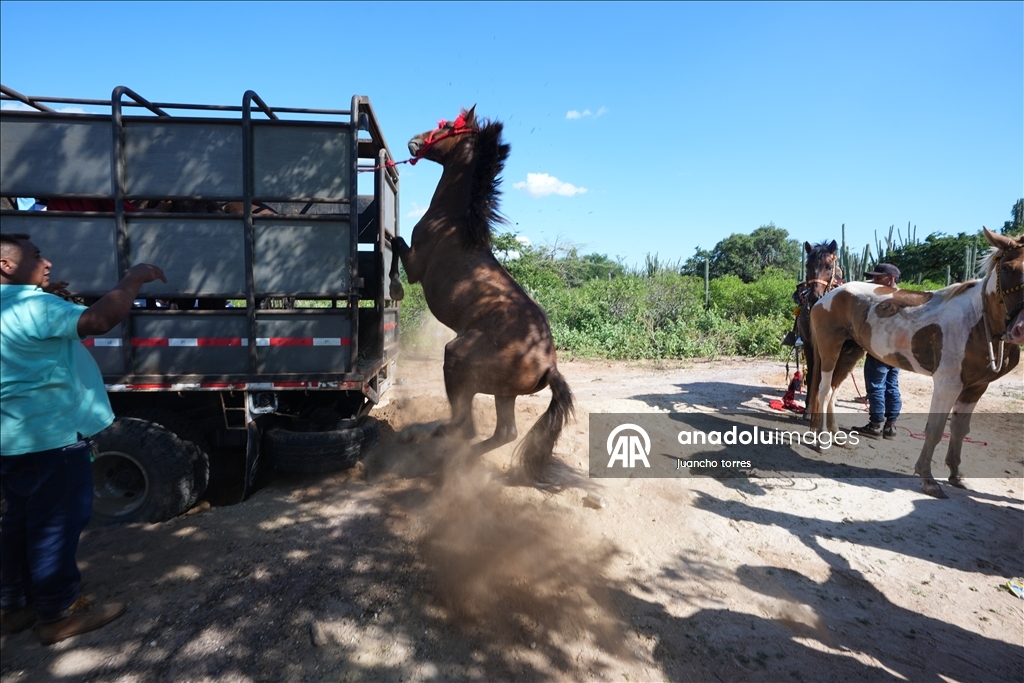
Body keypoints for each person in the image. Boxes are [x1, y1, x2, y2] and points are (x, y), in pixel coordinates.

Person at [0, 232, 165, 645]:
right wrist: (134, 278)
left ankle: (15, 607)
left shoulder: (19, 305)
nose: (48, 261)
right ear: (5, 266)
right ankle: (56, 615)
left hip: (13, 439)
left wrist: (44, 295)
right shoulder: (32, 306)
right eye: (37, 256)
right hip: (51, 437)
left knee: (19, 523)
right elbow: (98, 320)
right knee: (55, 525)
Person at [860, 263, 902, 439]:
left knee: (876, 385)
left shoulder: (885, 300)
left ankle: (875, 424)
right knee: (892, 386)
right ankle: (890, 426)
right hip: (898, 351)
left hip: (881, 348)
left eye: (878, 278)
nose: (874, 281)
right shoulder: (904, 297)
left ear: (891, 279)